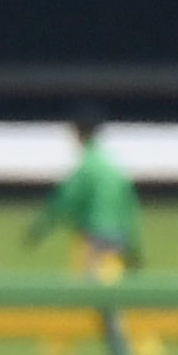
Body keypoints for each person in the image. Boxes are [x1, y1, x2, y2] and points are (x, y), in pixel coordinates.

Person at [26, 107, 142, 283]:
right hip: (118, 234)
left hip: (93, 233)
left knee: (91, 282)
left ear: (79, 133)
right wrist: (133, 244)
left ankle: (107, 310)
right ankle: (113, 310)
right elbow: (128, 203)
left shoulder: (86, 166)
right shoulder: (111, 165)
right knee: (112, 280)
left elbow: (65, 201)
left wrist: (41, 228)